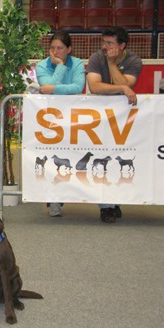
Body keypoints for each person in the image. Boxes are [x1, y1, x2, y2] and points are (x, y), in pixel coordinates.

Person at [86, 26, 143, 223]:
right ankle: (106, 206)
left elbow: (128, 85)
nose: (105, 47)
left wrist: (111, 64)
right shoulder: (95, 57)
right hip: (99, 120)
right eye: (104, 42)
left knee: (120, 159)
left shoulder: (134, 60)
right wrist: (120, 88)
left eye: (110, 43)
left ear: (122, 46)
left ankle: (115, 201)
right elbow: (95, 87)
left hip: (124, 121)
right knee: (102, 158)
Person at [35, 31, 86, 217]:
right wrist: (61, 66)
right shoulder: (42, 65)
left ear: (69, 49)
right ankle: (54, 201)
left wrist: (54, 88)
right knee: (53, 161)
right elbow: (46, 88)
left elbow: (77, 87)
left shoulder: (78, 63)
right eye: (52, 48)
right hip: (51, 121)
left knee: (76, 157)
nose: (55, 52)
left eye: (60, 48)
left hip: (76, 120)